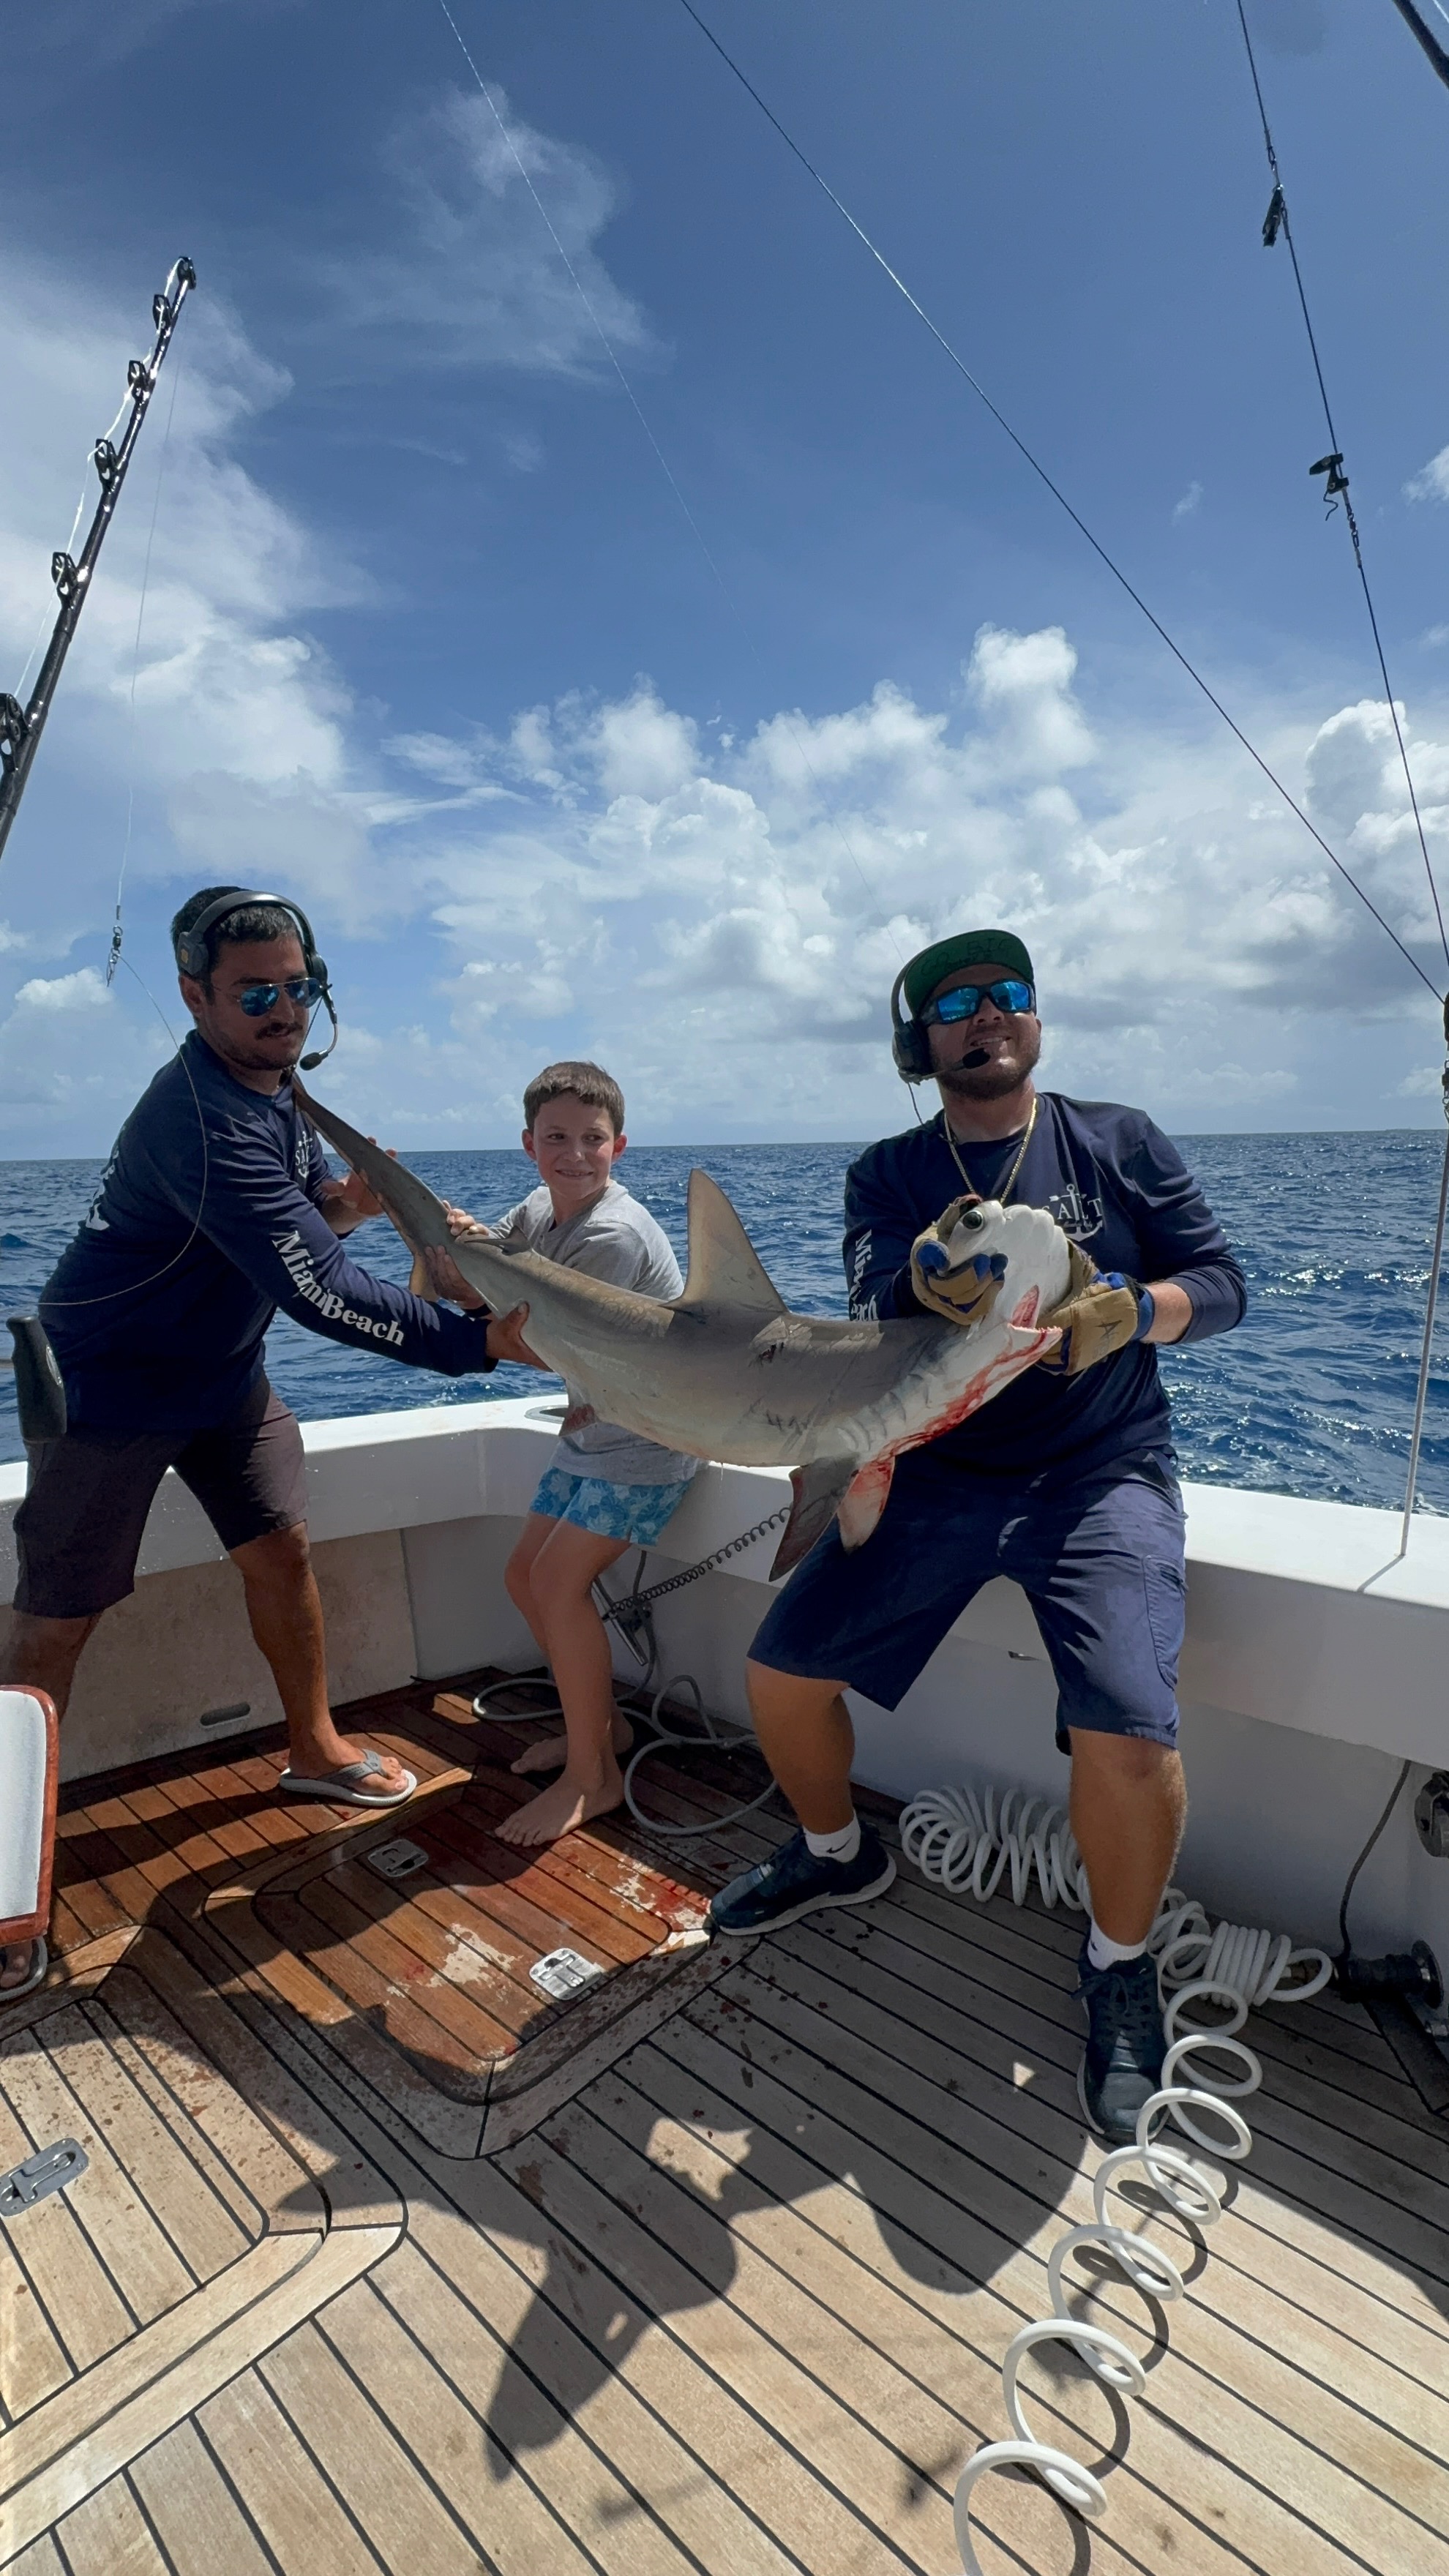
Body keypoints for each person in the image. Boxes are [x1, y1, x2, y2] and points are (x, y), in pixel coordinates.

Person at [708, 929, 1247, 2144]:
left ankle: (1118, 1966)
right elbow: (871, 1312)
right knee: (780, 1674)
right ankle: (837, 1853)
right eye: (954, 1006)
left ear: (1036, 1020)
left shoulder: (1118, 1140)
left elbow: (1223, 1283)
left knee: (1127, 1726)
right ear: (921, 1045)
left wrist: (1135, 1313)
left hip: (1100, 1472)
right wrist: (925, 1286)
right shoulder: (890, 1173)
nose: (985, 1014)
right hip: (936, 1467)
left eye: (1006, 994)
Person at [0, 886, 527, 1997]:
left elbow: (287, 1229)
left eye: (301, 986)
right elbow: (322, 1295)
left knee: (280, 1548)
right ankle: (3, 1875)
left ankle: (314, 1748)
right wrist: (480, 1343)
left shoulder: (274, 1089)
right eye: (255, 994)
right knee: (57, 1618)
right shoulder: (199, 1118)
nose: (284, 1010)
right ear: (194, 996)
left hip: (220, 1371)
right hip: (109, 1385)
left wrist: (347, 1203)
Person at [449, 1060, 696, 1847]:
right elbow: (486, 1273)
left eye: (592, 1139)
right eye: (556, 1138)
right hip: (591, 1434)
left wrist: (465, 1293)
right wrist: (456, 1245)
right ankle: (602, 1730)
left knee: (558, 1586)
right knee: (523, 1575)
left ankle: (593, 1778)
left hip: (647, 1442)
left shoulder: (614, 1236)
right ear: (529, 1145)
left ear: (619, 1145)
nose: (575, 1155)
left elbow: (536, 1343)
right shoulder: (537, 1210)